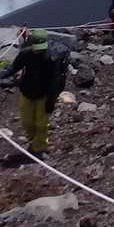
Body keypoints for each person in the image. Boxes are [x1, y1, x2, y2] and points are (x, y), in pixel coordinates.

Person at [6, 28, 67, 160]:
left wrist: (51, 101)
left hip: (44, 95)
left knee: (41, 124)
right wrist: (1, 75)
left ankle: (39, 148)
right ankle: (34, 140)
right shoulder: (25, 54)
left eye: (41, 48)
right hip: (27, 92)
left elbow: (54, 81)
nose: (38, 50)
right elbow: (15, 67)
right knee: (26, 122)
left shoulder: (52, 58)